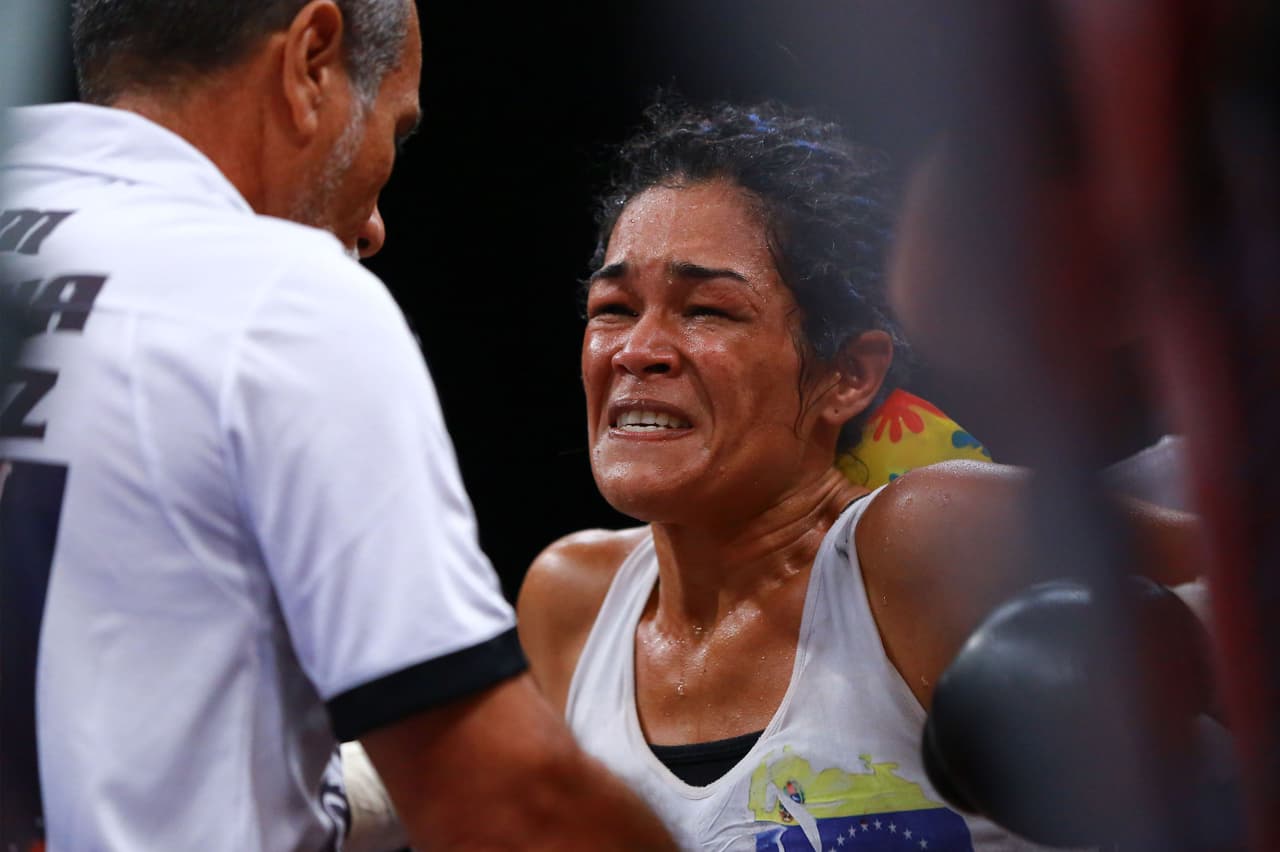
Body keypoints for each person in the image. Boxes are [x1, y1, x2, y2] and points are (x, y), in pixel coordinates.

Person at [0, 2, 676, 850]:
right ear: (311, 60)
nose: (373, 225)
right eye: (393, 129)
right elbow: (508, 808)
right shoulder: (278, 296)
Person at [515, 94, 1209, 851]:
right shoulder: (570, 603)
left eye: (707, 310)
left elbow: (1251, 580)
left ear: (848, 374)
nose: (636, 349)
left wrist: (1188, 630)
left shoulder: (925, 539)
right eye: (612, 307)